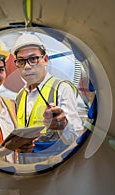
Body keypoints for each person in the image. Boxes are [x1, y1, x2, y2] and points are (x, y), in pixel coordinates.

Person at [12, 32, 84, 163]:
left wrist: (63, 125)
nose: (27, 66)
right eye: (21, 61)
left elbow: (74, 137)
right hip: (23, 164)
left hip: (52, 166)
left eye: (33, 59)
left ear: (45, 60)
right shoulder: (20, 95)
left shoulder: (61, 89)